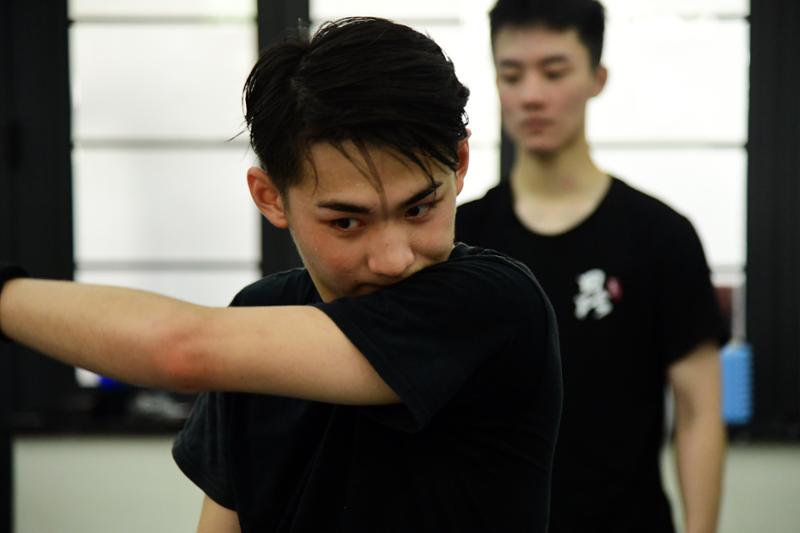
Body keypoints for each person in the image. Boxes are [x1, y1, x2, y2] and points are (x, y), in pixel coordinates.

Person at [0, 17, 562, 533]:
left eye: (419, 209)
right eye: (347, 222)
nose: (393, 258)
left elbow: (179, 351)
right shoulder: (259, 313)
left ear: (459, 164)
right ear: (270, 197)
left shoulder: (494, 302)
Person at [456, 1, 730, 532]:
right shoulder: (460, 237)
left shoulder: (661, 236)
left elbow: (698, 413)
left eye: (554, 71)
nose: (531, 95)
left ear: (597, 78)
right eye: (511, 75)